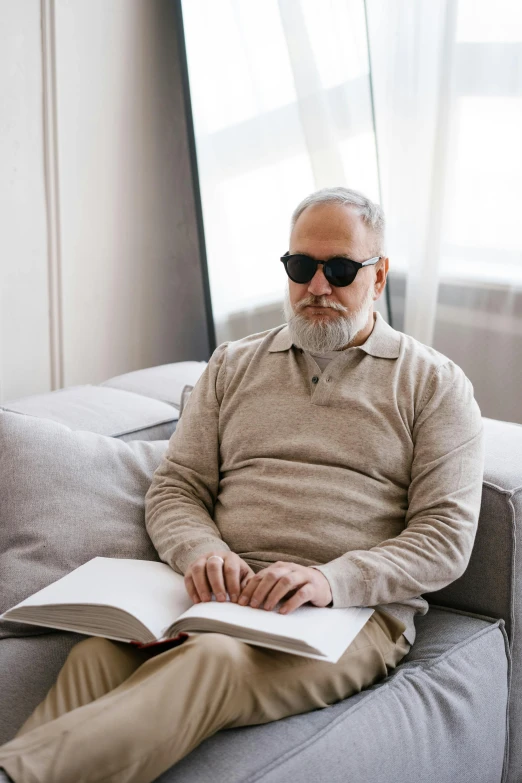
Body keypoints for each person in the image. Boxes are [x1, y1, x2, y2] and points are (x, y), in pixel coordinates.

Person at [0, 186, 485, 783]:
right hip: (216, 599)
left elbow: (445, 538)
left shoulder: (435, 385)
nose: (318, 287)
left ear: (378, 276)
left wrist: (326, 580)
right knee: (95, 654)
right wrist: (202, 552)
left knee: (213, 662)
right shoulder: (232, 365)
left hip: (349, 617)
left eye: (339, 269)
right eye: (301, 267)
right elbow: (177, 486)